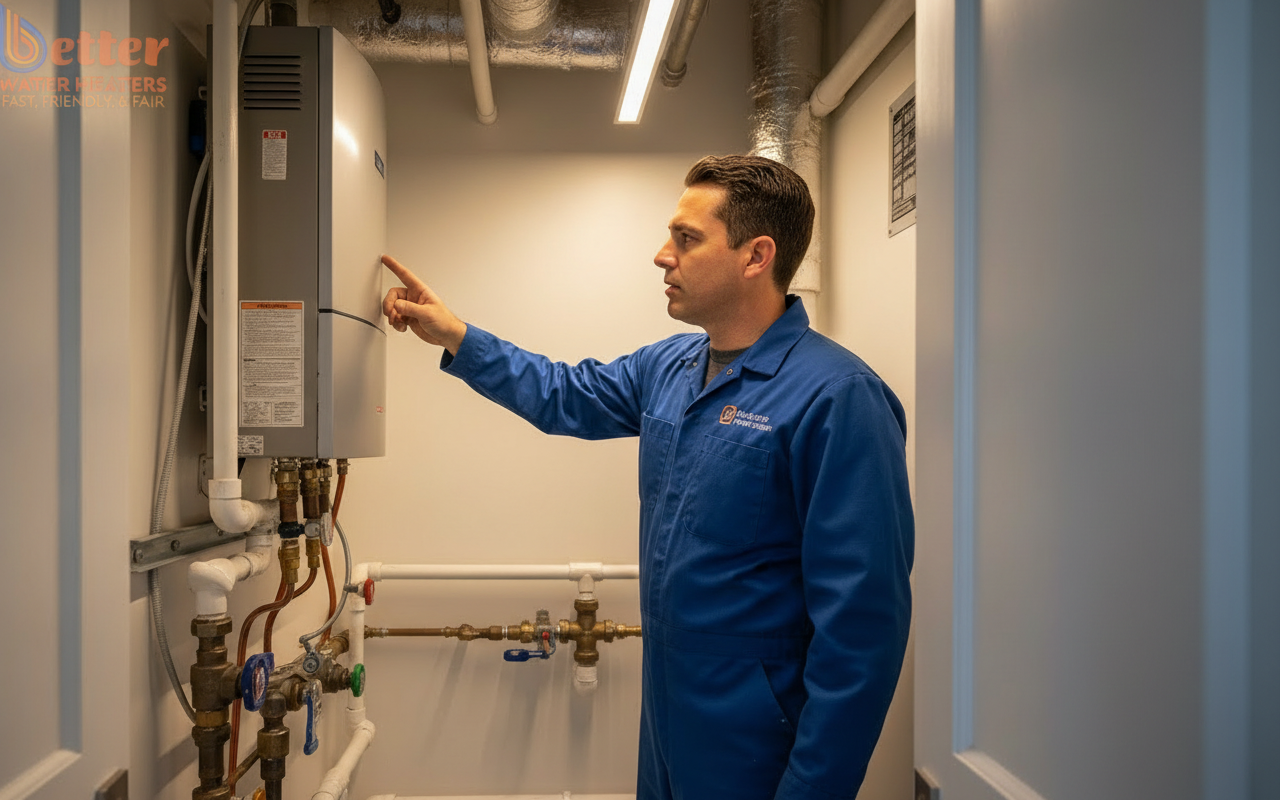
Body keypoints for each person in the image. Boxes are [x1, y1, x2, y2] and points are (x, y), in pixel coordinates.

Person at [382, 155, 914, 800]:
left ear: (756, 256)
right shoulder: (672, 365)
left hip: (756, 735)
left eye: (687, 238)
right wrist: (458, 337)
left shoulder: (838, 397)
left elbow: (861, 632)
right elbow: (563, 394)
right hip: (667, 712)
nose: (663, 256)